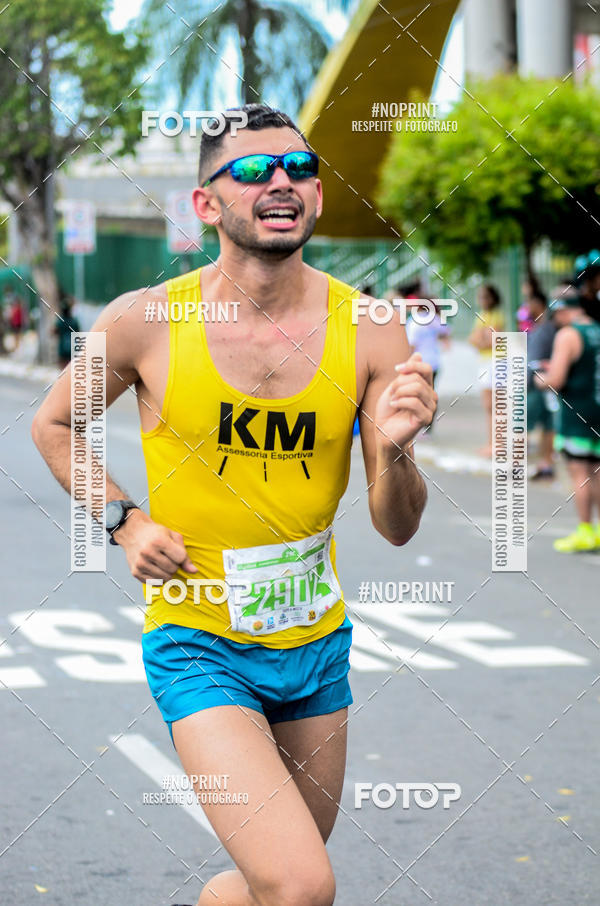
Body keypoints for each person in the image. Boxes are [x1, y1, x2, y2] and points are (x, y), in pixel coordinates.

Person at [31, 104, 436, 906]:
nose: (281, 182)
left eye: (300, 168)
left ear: (317, 197)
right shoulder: (144, 321)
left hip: (316, 646)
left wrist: (392, 451)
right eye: (253, 170)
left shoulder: (373, 330)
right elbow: (54, 424)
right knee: (300, 884)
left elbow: (397, 527)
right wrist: (124, 518)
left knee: (269, 886)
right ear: (207, 203)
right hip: (201, 643)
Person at [535, 295, 600, 552]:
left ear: (565, 312)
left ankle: (585, 530)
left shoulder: (569, 335)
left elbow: (557, 379)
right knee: (597, 473)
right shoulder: (597, 329)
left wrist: (541, 377)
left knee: (580, 474)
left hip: (577, 414)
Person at [468, 283, 505, 457]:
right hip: (485, 362)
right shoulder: (482, 316)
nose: (481, 300)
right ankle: (492, 444)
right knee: (488, 406)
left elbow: (489, 341)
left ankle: (497, 445)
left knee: (495, 406)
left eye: (485, 296)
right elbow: (474, 339)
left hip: (495, 362)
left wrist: (480, 338)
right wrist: (480, 338)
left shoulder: (496, 315)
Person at [405, 301, 451, 436]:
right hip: (434, 363)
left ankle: (418, 425)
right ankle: (428, 428)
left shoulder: (414, 321)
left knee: (417, 395)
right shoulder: (435, 319)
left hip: (419, 362)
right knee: (431, 393)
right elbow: (446, 334)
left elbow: (412, 345)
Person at [526, 290, 557, 480]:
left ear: (538, 304)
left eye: (529, 303)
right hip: (542, 386)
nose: (526, 307)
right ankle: (546, 463)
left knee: (521, 425)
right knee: (547, 426)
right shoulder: (540, 328)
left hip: (538, 386)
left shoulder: (547, 329)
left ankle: (516, 465)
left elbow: (538, 361)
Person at [54, 293, 81, 369]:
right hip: (72, 349)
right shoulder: (74, 321)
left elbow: (54, 332)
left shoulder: (60, 321)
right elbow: (78, 333)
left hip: (62, 349)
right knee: (71, 368)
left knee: (62, 369)